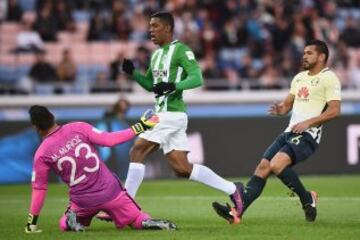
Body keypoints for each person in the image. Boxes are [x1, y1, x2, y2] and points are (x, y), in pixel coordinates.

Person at [121, 11, 244, 224]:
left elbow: (197, 77)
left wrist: (174, 85)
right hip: (165, 114)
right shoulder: (157, 55)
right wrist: (134, 73)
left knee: (137, 150)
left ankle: (124, 207)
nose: (150, 30)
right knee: (181, 168)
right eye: (150, 26)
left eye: (155, 26)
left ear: (168, 28)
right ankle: (233, 189)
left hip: (171, 114)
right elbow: (151, 85)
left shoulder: (181, 51)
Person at [212, 39, 341, 223]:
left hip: (308, 134)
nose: (304, 56)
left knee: (277, 165)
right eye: (304, 52)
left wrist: (309, 123)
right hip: (290, 131)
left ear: (322, 57)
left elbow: (335, 110)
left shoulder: (329, 78)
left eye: (309, 53)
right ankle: (236, 213)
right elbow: (287, 105)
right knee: (263, 167)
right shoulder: (299, 78)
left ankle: (307, 199)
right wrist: (281, 109)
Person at [25, 105, 176, 233]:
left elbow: (39, 188)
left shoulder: (41, 154)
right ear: (52, 116)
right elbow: (110, 140)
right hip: (111, 193)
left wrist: (31, 224)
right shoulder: (78, 127)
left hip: (83, 201)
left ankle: (71, 221)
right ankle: (145, 222)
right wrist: (141, 126)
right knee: (136, 219)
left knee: (63, 223)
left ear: (36, 127)